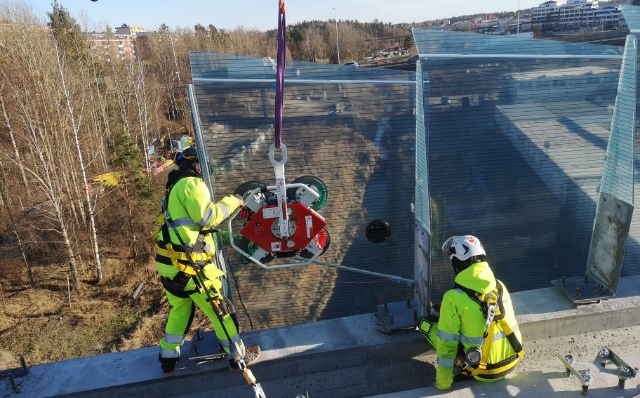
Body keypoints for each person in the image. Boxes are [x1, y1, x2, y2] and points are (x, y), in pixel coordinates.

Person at [154, 146, 260, 374]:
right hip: (190, 267)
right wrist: (234, 201)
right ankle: (238, 357)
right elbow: (208, 216)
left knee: (180, 309)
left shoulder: (172, 190)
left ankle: (167, 358)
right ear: (195, 165)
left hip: (168, 265)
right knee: (220, 311)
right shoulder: (191, 184)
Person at [418, 235, 524, 390]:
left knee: (428, 326)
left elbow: (446, 346)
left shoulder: (452, 298)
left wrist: (443, 384)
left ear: (456, 263)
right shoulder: (499, 286)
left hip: (482, 371)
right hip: (511, 362)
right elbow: (480, 310)